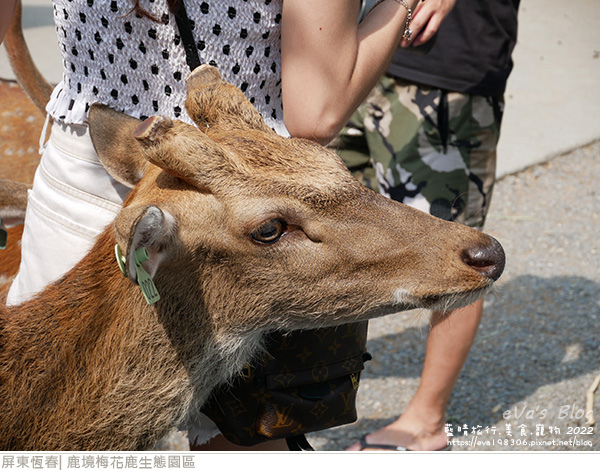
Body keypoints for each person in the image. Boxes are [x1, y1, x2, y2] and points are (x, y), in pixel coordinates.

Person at [0, 0, 424, 451]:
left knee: (36, 420)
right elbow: (315, 112)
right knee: (239, 442)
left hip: (89, 165)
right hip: (260, 210)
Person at [335, 0, 520, 451]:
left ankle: (427, 423)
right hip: (350, 55)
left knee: (456, 257)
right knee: (334, 236)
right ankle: (318, 393)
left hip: (444, 69)